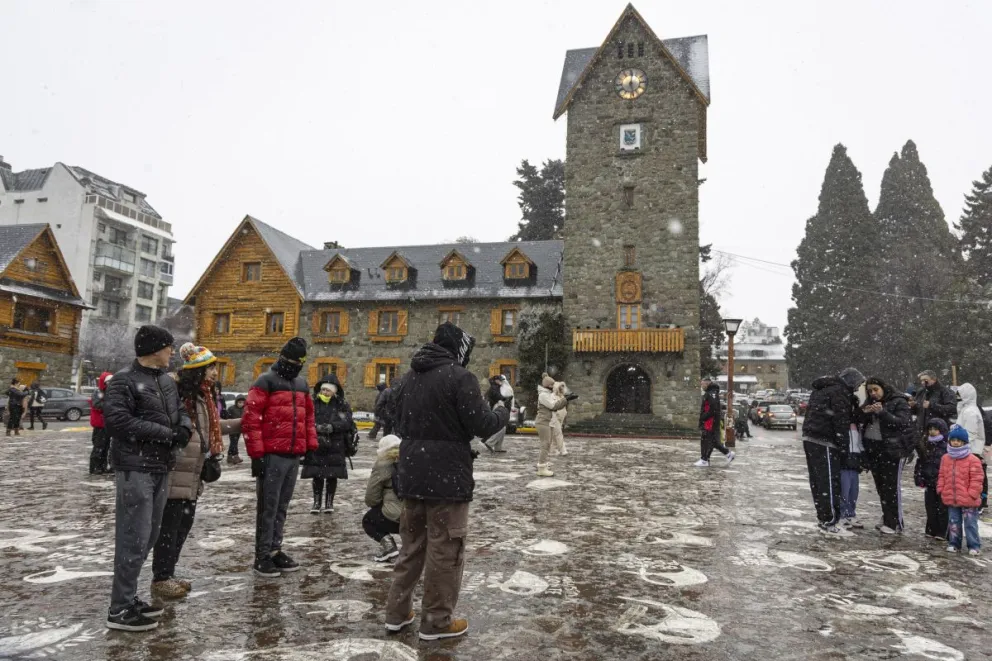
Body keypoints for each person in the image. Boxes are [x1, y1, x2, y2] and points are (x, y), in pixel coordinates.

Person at [384, 321, 509, 641]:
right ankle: (437, 621)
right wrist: (502, 407)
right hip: (447, 479)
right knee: (446, 549)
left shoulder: (408, 379)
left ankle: (396, 614)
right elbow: (483, 425)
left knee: (411, 546)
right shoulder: (460, 377)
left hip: (411, 473)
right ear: (459, 350)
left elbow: (394, 422)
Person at [104, 325, 192, 632]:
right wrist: (168, 434)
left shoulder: (166, 381)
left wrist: (184, 428)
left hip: (161, 467)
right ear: (155, 349)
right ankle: (119, 608)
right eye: (169, 347)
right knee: (134, 537)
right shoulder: (123, 381)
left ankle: (129, 599)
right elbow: (116, 421)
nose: (172, 352)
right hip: (135, 468)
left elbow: (180, 411)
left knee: (150, 536)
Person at [151, 343, 239, 598]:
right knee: (169, 527)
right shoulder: (178, 394)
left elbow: (209, 429)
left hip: (193, 471)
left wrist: (243, 423)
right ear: (196, 370)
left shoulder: (203, 396)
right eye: (210, 368)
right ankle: (161, 578)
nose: (215, 373)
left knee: (182, 525)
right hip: (176, 469)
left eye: (215, 368)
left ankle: (168, 572)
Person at [242, 337, 317, 578]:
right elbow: (251, 418)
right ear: (283, 358)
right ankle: (262, 555)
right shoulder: (266, 381)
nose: (295, 365)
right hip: (271, 455)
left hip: (293, 454)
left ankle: (275, 549)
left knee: (282, 506)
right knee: (268, 507)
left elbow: (308, 418)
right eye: (293, 360)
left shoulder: (302, 384)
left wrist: (310, 445)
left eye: (299, 361)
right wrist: (257, 454)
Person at [802, 367, 865, 534]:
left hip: (810, 438)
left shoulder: (821, 390)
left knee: (817, 481)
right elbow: (840, 422)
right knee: (829, 481)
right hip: (826, 442)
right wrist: (843, 448)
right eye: (857, 385)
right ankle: (830, 520)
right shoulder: (840, 393)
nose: (857, 389)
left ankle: (823, 517)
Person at [860, 376, 915, 534]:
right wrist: (865, 413)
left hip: (892, 450)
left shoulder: (898, 401)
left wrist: (882, 413)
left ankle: (895, 522)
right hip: (874, 449)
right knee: (881, 487)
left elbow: (903, 423)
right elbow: (861, 419)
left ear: (883, 388)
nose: (873, 393)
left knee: (891, 487)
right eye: (870, 391)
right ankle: (887, 517)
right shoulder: (870, 402)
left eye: (875, 390)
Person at [303, 375, 352, 514]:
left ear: (334, 392)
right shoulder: (313, 403)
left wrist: (333, 427)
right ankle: (316, 503)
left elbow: (347, 422)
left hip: (335, 444)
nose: (325, 392)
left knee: (332, 475)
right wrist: (316, 427)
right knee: (316, 474)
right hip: (316, 443)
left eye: (328, 390)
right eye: (323, 389)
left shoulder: (341, 404)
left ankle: (329, 503)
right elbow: (305, 419)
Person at [937, 426, 983, 555]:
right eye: (953, 440)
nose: (956, 442)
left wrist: (972, 493)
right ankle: (954, 543)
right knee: (953, 522)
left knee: (970, 524)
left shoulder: (973, 459)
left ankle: (974, 545)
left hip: (969, 499)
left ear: (964, 442)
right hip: (951, 497)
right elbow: (942, 474)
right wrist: (941, 488)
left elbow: (977, 478)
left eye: (959, 440)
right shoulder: (946, 458)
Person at [363, 434, 403, 562]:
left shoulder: (382, 465)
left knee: (369, 520)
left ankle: (390, 549)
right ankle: (412, 549)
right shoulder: (410, 459)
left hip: (396, 516)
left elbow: (371, 498)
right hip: (419, 512)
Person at [953, 383, 988, 512]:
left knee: (973, 480)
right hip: (967, 450)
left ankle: (975, 503)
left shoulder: (971, 412)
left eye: (959, 396)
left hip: (971, 451)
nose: (957, 398)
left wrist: (958, 446)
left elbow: (970, 434)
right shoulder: (966, 410)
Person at [915, 418, 949, 540]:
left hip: (941, 482)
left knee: (942, 508)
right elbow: (920, 462)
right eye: (930, 429)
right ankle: (931, 529)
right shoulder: (926, 444)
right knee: (930, 507)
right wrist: (919, 476)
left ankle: (942, 531)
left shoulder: (946, 447)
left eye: (935, 429)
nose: (932, 431)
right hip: (928, 481)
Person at [695, 376, 734, 467]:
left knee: (706, 440)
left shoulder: (711, 393)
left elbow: (713, 408)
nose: (701, 386)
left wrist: (704, 417)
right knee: (712, 441)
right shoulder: (711, 392)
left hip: (710, 422)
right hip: (711, 421)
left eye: (702, 384)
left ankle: (705, 459)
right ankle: (706, 459)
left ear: (707, 383)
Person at [535, 373, 567, 476]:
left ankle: (544, 464)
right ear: (548, 386)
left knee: (547, 444)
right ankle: (541, 467)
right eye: (552, 385)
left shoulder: (547, 394)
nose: (554, 386)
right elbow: (553, 406)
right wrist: (565, 400)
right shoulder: (543, 395)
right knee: (545, 444)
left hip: (548, 422)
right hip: (543, 422)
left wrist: (565, 399)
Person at [911, 370, 957, 437]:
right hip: (921, 433)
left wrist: (932, 405)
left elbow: (952, 409)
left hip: (938, 432)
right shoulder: (921, 392)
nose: (923, 382)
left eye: (925, 380)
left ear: (934, 379)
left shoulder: (945, 392)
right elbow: (917, 412)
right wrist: (913, 406)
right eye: (921, 380)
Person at [839, 416, 865, 529]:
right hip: (845, 457)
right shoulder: (841, 423)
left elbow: (860, 442)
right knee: (844, 489)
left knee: (854, 490)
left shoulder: (858, 425)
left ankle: (850, 513)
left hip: (855, 458)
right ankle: (841, 514)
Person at [89, 372, 113, 474]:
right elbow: (97, 405)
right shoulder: (98, 392)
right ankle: (95, 467)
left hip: (107, 424)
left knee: (106, 446)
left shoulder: (109, 392)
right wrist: (110, 404)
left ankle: (102, 466)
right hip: (100, 424)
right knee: (99, 446)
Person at [482, 375, 512, 453]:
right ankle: (489, 442)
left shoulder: (496, 387)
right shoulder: (494, 387)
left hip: (496, 408)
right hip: (496, 409)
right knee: (501, 427)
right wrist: (505, 398)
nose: (501, 382)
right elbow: (497, 396)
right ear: (496, 380)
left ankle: (498, 447)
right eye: (499, 380)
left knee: (502, 427)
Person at [550, 380, 569, 457]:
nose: (561, 389)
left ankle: (552, 450)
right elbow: (553, 406)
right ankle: (563, 450)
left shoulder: (562, 396)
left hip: (561, 417)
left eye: (562, 388)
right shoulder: (552, 396)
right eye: (560, 388)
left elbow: (563, 407)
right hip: (554, 417)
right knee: (558, 433)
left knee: (555, 435)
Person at [226, 395, 246, 465]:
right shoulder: (231, 409)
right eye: (239, 402)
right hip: (232, 428)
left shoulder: (244, 409)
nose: (241, 404)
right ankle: (235, 456)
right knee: (233, 442)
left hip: (239, 429)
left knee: (234, 442)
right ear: (236, 402)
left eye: (243, 403)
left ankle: (230, 456)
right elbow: (227, 417)